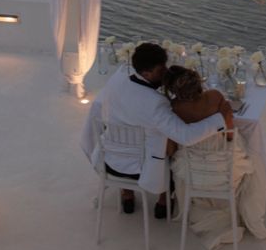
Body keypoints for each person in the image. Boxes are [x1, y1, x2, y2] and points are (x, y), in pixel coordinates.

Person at [81, 42, 228, 218]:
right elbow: (186, 136)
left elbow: (100, 107)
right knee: (172, 147)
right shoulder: (156, 103)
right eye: (160, 70)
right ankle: (163, 200)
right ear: (146, 73)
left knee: (136, 134)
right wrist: (220, 119)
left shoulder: (117, 80)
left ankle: (126, 194)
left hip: (108, 161)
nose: (165, 72)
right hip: (139, 169)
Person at [163, 63, 266, 250]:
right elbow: (229, 134)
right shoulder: (215, 96)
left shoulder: (173, 109)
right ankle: (243, 210)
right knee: (251, 155)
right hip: (225, 172)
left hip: (193, 175)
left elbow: (170, 150)